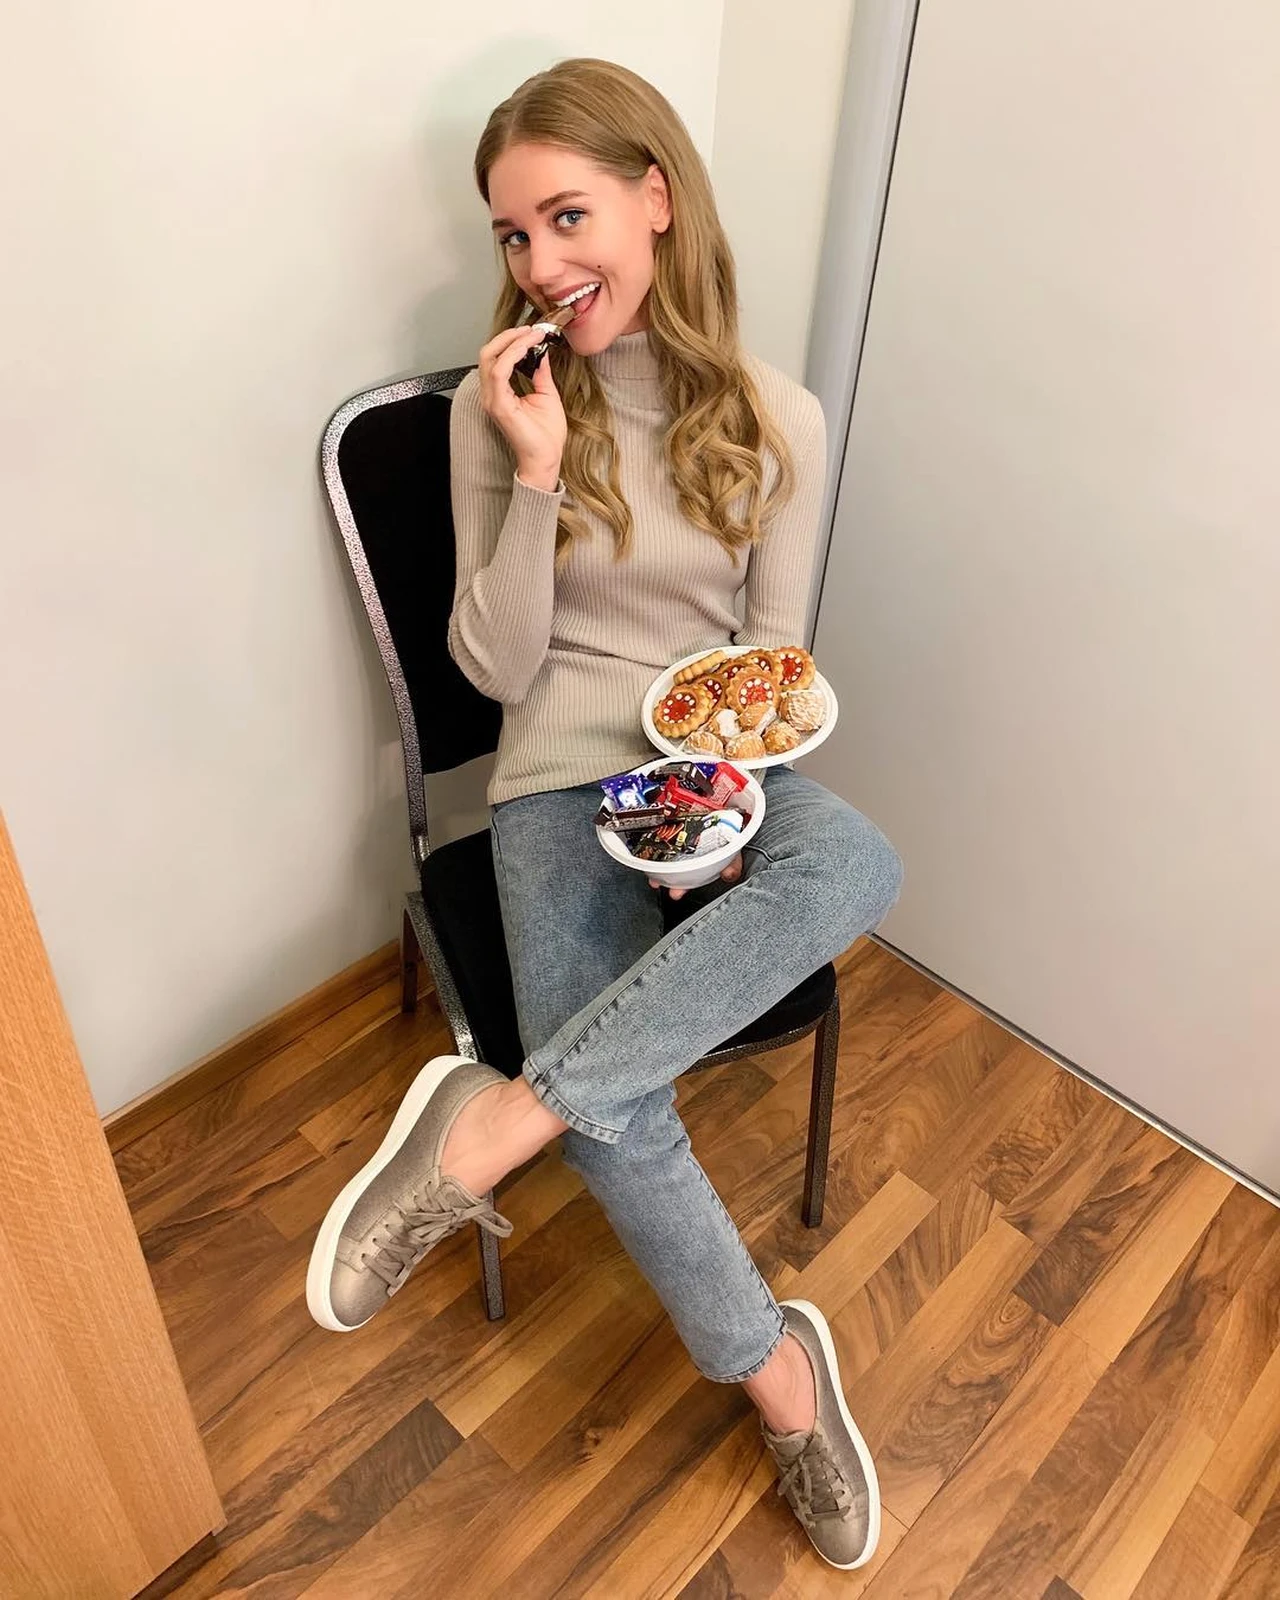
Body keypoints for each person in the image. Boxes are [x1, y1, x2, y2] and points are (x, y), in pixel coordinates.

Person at [307, 57, 903, 1571]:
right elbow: (497, 670)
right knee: (626, 1119)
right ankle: (784, 1384)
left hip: (708, 772)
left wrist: (722, 828)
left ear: (657, 199)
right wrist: (535, 475)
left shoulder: (778, 418)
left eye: (566, 217)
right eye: (514, 234)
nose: (540, 263)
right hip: (555, 778)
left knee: (856, 859)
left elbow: (772, 668)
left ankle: (497, 1124)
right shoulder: (497, 411)